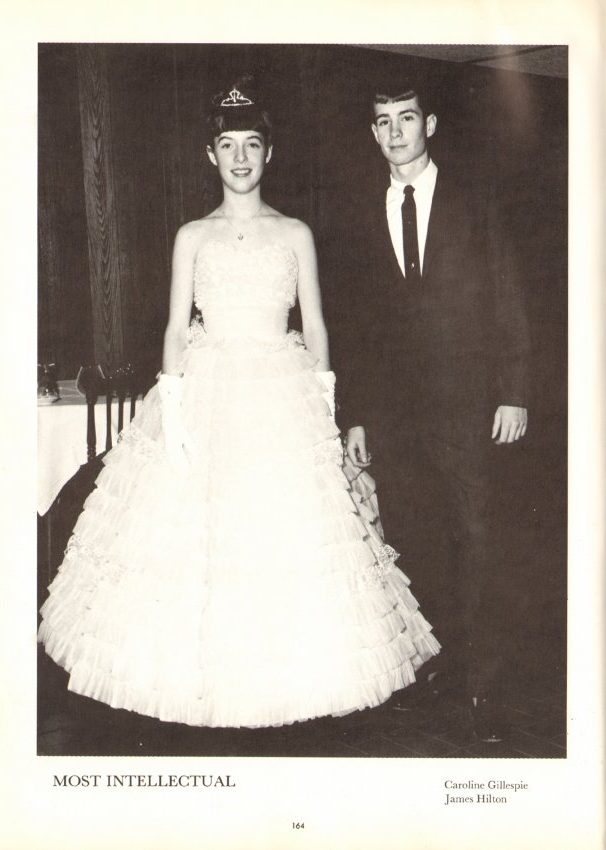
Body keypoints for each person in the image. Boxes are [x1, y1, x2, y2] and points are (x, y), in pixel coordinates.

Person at [38, 77, 439, 730]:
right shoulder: (192, 235)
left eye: (252, 144)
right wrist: (172, 412)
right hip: (205, 388)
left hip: (281, 392)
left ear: (268, 154)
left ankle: (284, 681)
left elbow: (315, 325)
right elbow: (175, 329)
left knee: (288, 532)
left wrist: (323, 407)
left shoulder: (296, 233)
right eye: (228, 146)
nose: (241, 157)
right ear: (211, 156)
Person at [337, 81, 530, 742]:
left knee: (477, 535)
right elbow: (356, 324)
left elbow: (507, 293)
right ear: (373, 133)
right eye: (382, 121)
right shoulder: (359, 212)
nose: (395, 132)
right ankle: (435, 667)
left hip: (467, 405)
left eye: (406, 119)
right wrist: (358, 415)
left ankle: (484, 681)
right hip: (394, 414)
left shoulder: (474, 201)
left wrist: (513, 390)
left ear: (431, 125)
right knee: (415, 536)